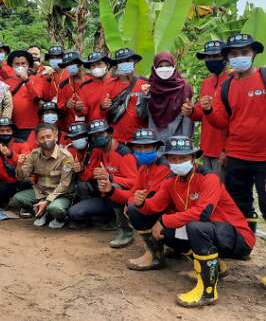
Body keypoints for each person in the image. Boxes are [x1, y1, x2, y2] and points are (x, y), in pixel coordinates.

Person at [127, 136, 255, 307]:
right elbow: (154, 205)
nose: (178, 161)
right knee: (167, 230)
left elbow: (203, 213)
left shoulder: (209, 178)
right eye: (173, 158)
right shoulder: (171, 182)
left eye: (183, 157)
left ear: (193, 158)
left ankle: (207, 292)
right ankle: (214, 266)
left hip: (238, 237)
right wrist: (141, 203)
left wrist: (165, 220)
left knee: (195, 227)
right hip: (211, 232)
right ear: (167, 160)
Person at [205, 33, 266, 235]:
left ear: (254, 53)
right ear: (228, 58)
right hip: (237, 155)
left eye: (244, 52)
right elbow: (222, 122)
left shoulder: (264, 78)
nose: (239, 57)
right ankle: (246, 242)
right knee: (240, 202)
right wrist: (208, 111)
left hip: (263, 157)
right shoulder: (227, 86)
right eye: (234, 54)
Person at [96, 129, 171, 270]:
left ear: (156, 147)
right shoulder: (144, 168)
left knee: (136, 209)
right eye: (139, 147)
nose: (142, 151)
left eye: (147, 147)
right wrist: (111, 190)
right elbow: (132, 193)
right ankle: (160, 249)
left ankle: (155, 255)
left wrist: (130, 202)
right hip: (164, 210)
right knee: (133, 205)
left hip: (172, 214)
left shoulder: (163, 167)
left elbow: (152, 200)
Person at [68, 119, 138, 248]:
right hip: (104, 196)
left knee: (115, 187)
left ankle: (125, 231)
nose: (97, 137)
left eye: (101, 134)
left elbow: (135, 182)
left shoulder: (124, 154)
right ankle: (104, 219)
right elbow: (89, 175)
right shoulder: (98, 151)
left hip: (124, 197)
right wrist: (82, 170)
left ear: (110, 133)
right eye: (94, 135)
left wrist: (111, 178)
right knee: (75, 212)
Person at [181, 40, 229, 180]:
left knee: (224, 193)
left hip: (224, 149)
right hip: (207, 147)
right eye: (208, 57)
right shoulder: (207, 82)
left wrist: (227, 150)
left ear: (225, 57)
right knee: (209, 189)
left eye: (216, 56)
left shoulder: (233, 80)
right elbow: (201, 113)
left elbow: (236, 119)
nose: (211, 60)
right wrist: (191, 111)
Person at [12, 123, 75, 229]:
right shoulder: (34, 154)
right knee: (17, 199)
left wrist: (47, 201)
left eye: (49, 136)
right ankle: (42, 212)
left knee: (55, 209)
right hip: (41, 192)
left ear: (56, 137)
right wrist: (19, 165)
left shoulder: (66, 157)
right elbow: (22, 177)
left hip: (61, 195)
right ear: (37, 141)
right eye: (42, 138)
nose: (46, 140)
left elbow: (64, 185)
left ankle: (60, 218)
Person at [100, 48, 150, 144]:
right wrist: (103, 107)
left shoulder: (145, 84)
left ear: (134, 62)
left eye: (127, 61)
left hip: (140, 140)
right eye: (121, 61)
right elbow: (103, 114)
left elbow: (150, 112)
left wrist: (147, 96)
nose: (124, 63)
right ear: (117, 65)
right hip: (116, 139)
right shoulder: (109, 84)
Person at [147, 52, 194, 142]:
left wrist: (184, 144)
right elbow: (141, 116)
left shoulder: (184, 88)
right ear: (154, 68)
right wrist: (144, 97)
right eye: (160, 66)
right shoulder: (149, 88)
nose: (164, 69)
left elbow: (187, 120)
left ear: (174, 67)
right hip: (154, 146)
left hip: (177, 146)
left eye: (168, 65)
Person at [0, 118, 30, 206]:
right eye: (2, 130)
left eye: (8, 130)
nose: (5, 133)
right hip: (4, 183)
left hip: (21, 181)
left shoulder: (22, 144)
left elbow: (28, 163)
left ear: (13, 131)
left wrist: (10, 154)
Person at [4, 50, 43, 141]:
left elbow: (38, 97)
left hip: (32, 127)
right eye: (17, 64)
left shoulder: (36, 79)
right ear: (12, 66)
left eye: (23, 63)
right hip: (12, 127)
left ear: (28, 65)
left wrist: (26, 80)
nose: (20, 66)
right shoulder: (7, 82)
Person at [78, 51, 112, 122]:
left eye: (99, 64)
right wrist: (78, 108)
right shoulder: (85, 87)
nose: (96, 68)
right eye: (93, 65)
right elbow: (83, 112)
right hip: (95, 128)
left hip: (116, 128)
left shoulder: (117, 81)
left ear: (107, 65)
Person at [56, 51, 87, 129]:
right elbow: (60, 109)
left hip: (92, 124)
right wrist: (66, 105)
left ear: (79, 64)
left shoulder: (92, 80)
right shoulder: (63, 85)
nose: (70, 66)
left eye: (72, 63)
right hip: (73, 127)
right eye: (67, 65)